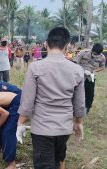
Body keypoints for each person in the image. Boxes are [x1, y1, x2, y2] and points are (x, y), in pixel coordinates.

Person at [16, 27, 86, 169]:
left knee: (44, 165)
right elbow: (79, 103)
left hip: (42, 128)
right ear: (67, 46)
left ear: (46, 44)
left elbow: (27, 101)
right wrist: (79, 122)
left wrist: (20, 124)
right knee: (57, 161)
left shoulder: (35, 68)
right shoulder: (77, 70)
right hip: (64, 128)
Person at [73, 43, 106, 114]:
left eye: (97, 54)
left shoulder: (102, 57)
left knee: (90, 93)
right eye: (94, 53)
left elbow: (102, 67)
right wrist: (82, 70)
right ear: (92, 49)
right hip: (80, 75)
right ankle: (74, 107)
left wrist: (93, 71)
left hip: (91, 76)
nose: (95, 55)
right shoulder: (83, 52)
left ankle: (87, 108)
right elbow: (75, 63)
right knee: (76, 91)